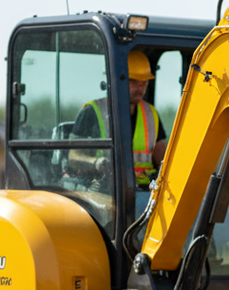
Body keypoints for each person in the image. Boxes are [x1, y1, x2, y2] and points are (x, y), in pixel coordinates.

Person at [69, 50, 168, 193]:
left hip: (144, 194)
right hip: (104, 190)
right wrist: (96, 163)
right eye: (133, 81)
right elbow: (73, 158)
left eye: (144, 82)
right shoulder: (92, 112)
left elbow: (162, 161)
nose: (140, 88)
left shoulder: (151, 114)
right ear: (115, 79)